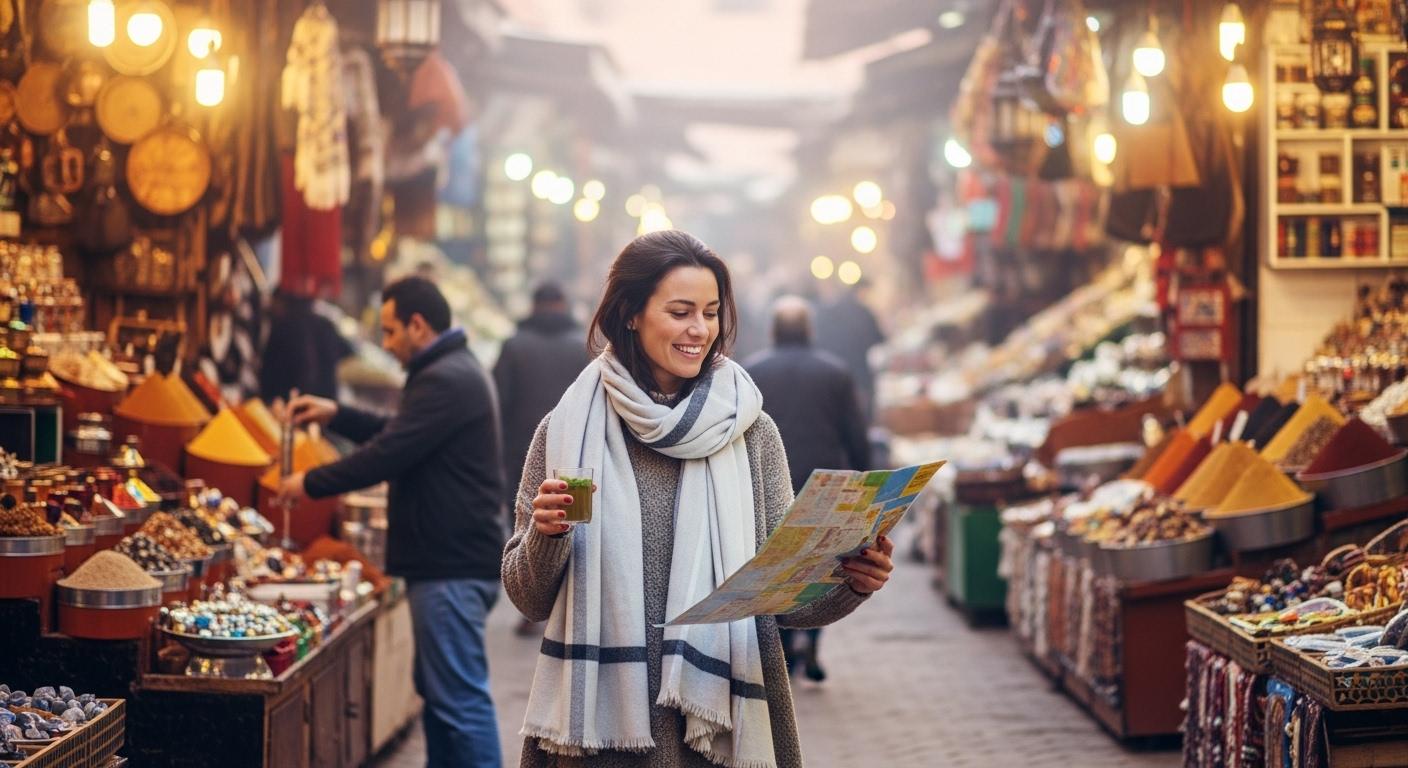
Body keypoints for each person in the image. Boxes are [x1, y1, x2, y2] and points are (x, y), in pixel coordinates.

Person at [503, 230, 895, 768]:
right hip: (603, 737)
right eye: (681, 311)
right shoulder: (570, 430)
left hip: (718, 731)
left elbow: (782, 601)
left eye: (711, 312)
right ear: (632, 314)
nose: (700, 330)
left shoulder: (751, 433)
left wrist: (851, 582)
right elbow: (529, 598)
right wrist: (546, 538)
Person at [277, 276, 504, 768]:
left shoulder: (446, 378)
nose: (386, 344)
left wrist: (308, 482)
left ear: (418, 326)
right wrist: (336, 414)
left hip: (452, 568)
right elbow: (400, 433)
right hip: (450, 564)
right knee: (444, 700)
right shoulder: (448, 371)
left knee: (460, 704)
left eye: (391, 331)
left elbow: (390, 452)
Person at [744, 295, 871, 684]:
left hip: (767, 479)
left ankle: (783, 649)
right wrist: (864, 479)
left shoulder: (753, 371)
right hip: (823, 481)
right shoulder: (834, 372)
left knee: (777, 562)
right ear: (810, 330)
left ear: (773, 330)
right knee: (820, 564)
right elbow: (855, 431)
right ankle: (812, 642)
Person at [494, 281, 591, 526]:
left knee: (523, 525)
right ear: (563, 306)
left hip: (519, 456)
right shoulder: (582, 348)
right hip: (571, 457)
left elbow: (498, 404)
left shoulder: (514, 346)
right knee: (570, 524)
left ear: (534, 306)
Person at [812, 280, 884, 422]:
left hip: (834, 369)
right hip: (860, 371)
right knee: (861, 414)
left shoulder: (825, 314)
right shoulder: (862, 311)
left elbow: (819, 340)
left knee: (838, 410)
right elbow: (878, 338)